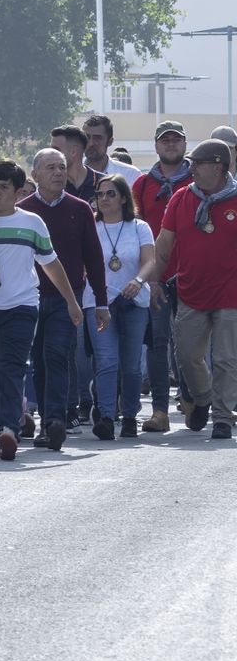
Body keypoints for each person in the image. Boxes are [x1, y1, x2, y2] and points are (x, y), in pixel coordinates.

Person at [0, 160, 83, 461]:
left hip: (22, 307)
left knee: (10, 367)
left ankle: (7, 431)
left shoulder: (32, 223)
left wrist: (71, 301)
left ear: (18, 193)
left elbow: (51, 264)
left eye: (4, 187)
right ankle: (10, 419)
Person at [18, 148, 110, 450]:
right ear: (35, 175)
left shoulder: (81, 208)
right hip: (27, 299)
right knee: (38, 363)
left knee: (57, 355)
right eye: (50, 168)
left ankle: (54, 421)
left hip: (65, 299)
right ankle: (46, 419)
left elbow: (94, 258)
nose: (58, 172)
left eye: (61, 167)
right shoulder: (22, 211)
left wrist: (100, 301)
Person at [153, 139, 237, 439]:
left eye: (198, 164)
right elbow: (163, 245)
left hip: (231, 294)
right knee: (188, 356)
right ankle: (203, 398)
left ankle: (223, 418)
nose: (192, 169)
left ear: (218, 167)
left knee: (226, 359)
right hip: (190, 290)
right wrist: (153, 280)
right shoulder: (180, 198)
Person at [131, 120, 194, 433]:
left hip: (192, 275)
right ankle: (159, 411)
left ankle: (192, 400)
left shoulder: (199, 181)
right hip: (156, 276)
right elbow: (134, 230)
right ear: (156, 145)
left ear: (185, 145)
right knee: (157, 345)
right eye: (165, 140)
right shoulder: (142, 185)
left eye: (176, 140)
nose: (170, 145)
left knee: (190, 345)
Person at [91, 174, 157, 438]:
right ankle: (106, 416)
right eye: (100, 194)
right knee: (106, 361)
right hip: (99, 301)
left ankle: (129, 415)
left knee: (130, 365)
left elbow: (150, 261)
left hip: (133, 300)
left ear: (123, 198)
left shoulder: (139, 227)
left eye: (110, 193)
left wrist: (138, 281)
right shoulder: (91, 226)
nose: (104, 199)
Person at [51, 124, 103, 206]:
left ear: (73, 151)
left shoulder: (103, 183)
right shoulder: (51, 185)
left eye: (56, 150)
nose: (51, 154)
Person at [83, 114, 141, 184]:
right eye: (87, 137)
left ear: (110, 141)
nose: (91, 143)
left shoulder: (131, 175)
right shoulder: (69, 173)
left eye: (97, 138)